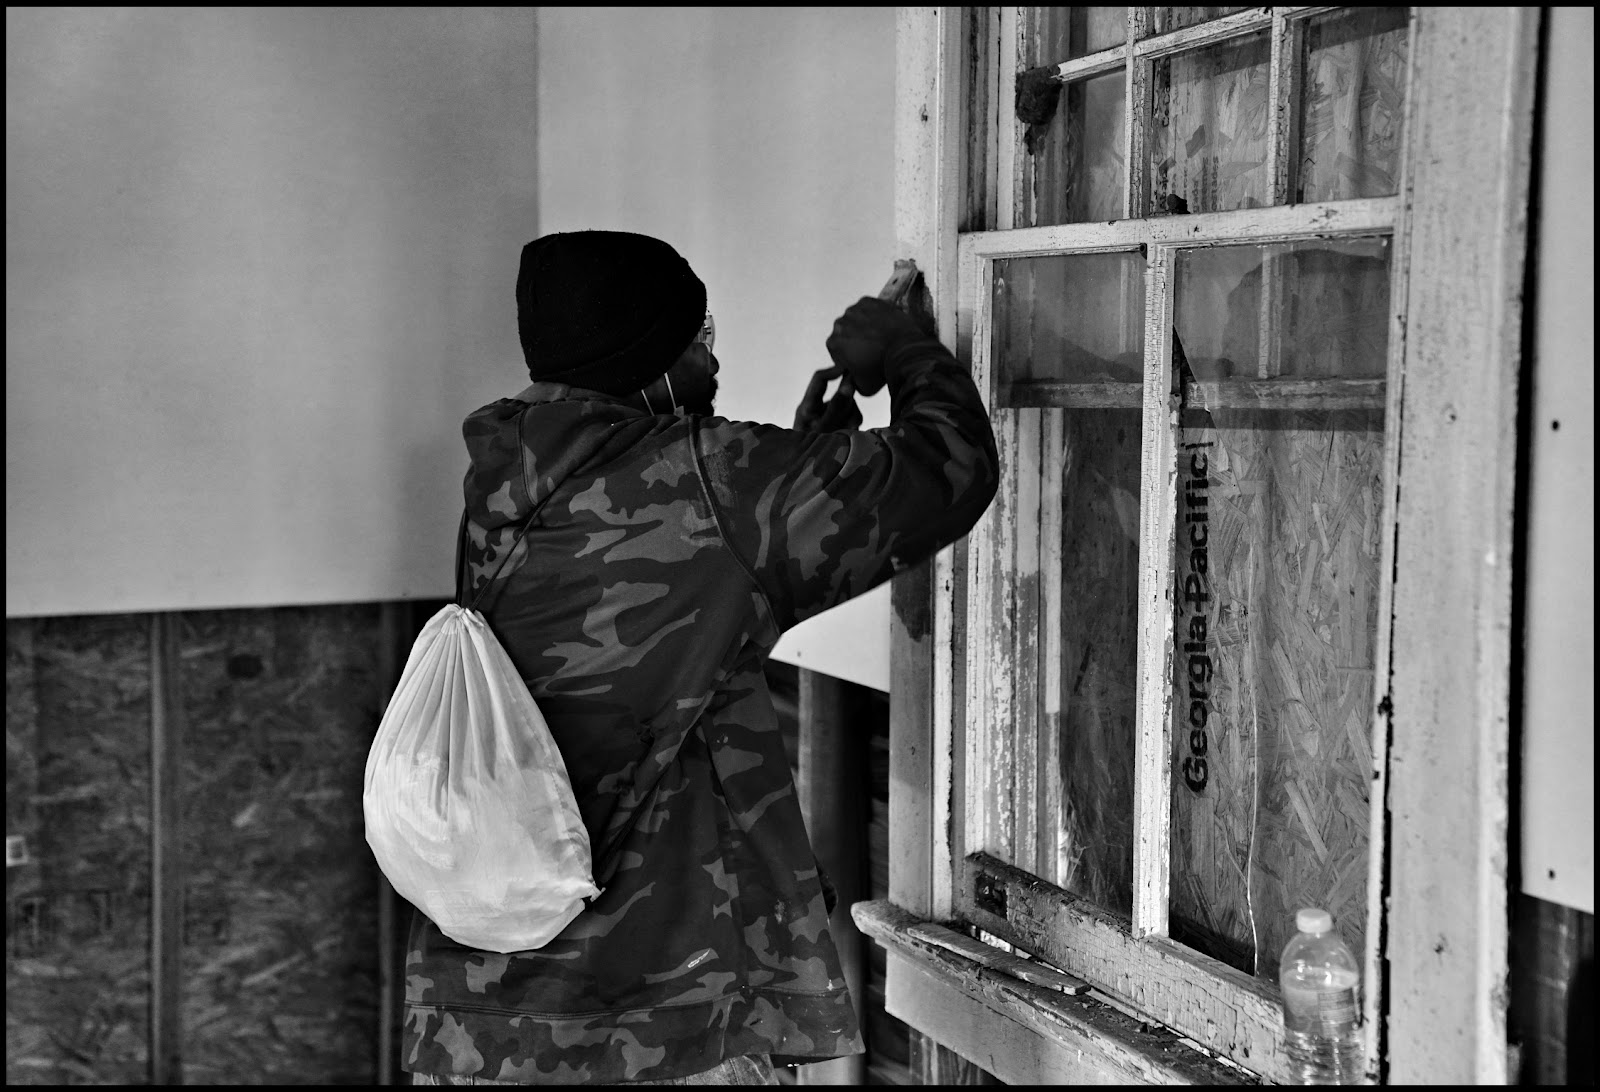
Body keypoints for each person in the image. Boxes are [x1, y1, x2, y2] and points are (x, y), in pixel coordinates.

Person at [404, 230, 998, 1085]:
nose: (711, 364)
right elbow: (948, 467)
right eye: (698, 338)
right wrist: (908, 351)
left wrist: (802, 459)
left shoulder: (508, 484)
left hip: (487, 1026)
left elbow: (686, 627)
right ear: (643, 356)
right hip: (657, 1024)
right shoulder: (708, 478)